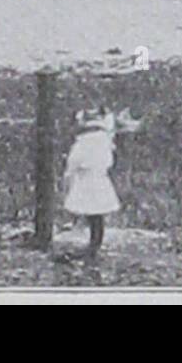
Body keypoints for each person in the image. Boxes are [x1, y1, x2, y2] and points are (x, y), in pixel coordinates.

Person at [63, 107, 139, 259]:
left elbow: (73, 164)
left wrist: (68, 177)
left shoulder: (82, 145)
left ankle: (92, 245)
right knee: (96, 216)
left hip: (87, 181)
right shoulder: (104, 143)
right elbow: (108, 161)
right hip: (99, 180)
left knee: (92, 212)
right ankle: (93, 242)